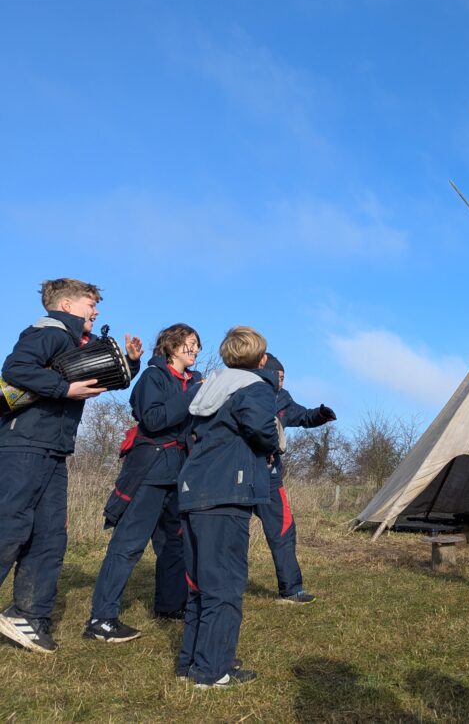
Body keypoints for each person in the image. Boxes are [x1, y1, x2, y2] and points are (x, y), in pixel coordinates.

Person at [0, 278, 142, 654]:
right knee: (10, 527)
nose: (95, 311)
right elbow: (15, 369)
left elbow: (102, 376)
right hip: (23, 445)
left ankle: (28, 617)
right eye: (89, 304)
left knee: (49, 536)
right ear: (65, 305)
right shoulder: (47, 331)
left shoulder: (74, 342)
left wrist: (130, 362)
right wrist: (64, 390)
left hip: (52, 448)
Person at [83, 324, 204, 642]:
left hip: (179, 474)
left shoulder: (194, 381)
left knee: (174, 545)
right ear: (172, 346)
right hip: (149, 471)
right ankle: (101, 619)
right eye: (189, 344)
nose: (194, 350)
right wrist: (192, 397)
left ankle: (170, 606)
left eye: (197, 346)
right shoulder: (154, 377)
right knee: (128, 546)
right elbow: (152, 420)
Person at [175, 326, 278, 688]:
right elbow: (263, 432)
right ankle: (213, 670)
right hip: (226, 494)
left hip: (193, 489)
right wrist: (273, 445)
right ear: (260, 359)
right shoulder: (255, 388)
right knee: (226, 584)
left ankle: (192, 662)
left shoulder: (206, 387)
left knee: (199, 584)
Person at [256, 353, 336, 604]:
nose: (281, 381)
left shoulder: (283, 398)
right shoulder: (242, 390)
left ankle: (291, 590)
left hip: (269, 477)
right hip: (238, 473)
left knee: (284, 529)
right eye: (278, 376)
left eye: (284, 377)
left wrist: (321, 415)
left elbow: (302, 416)